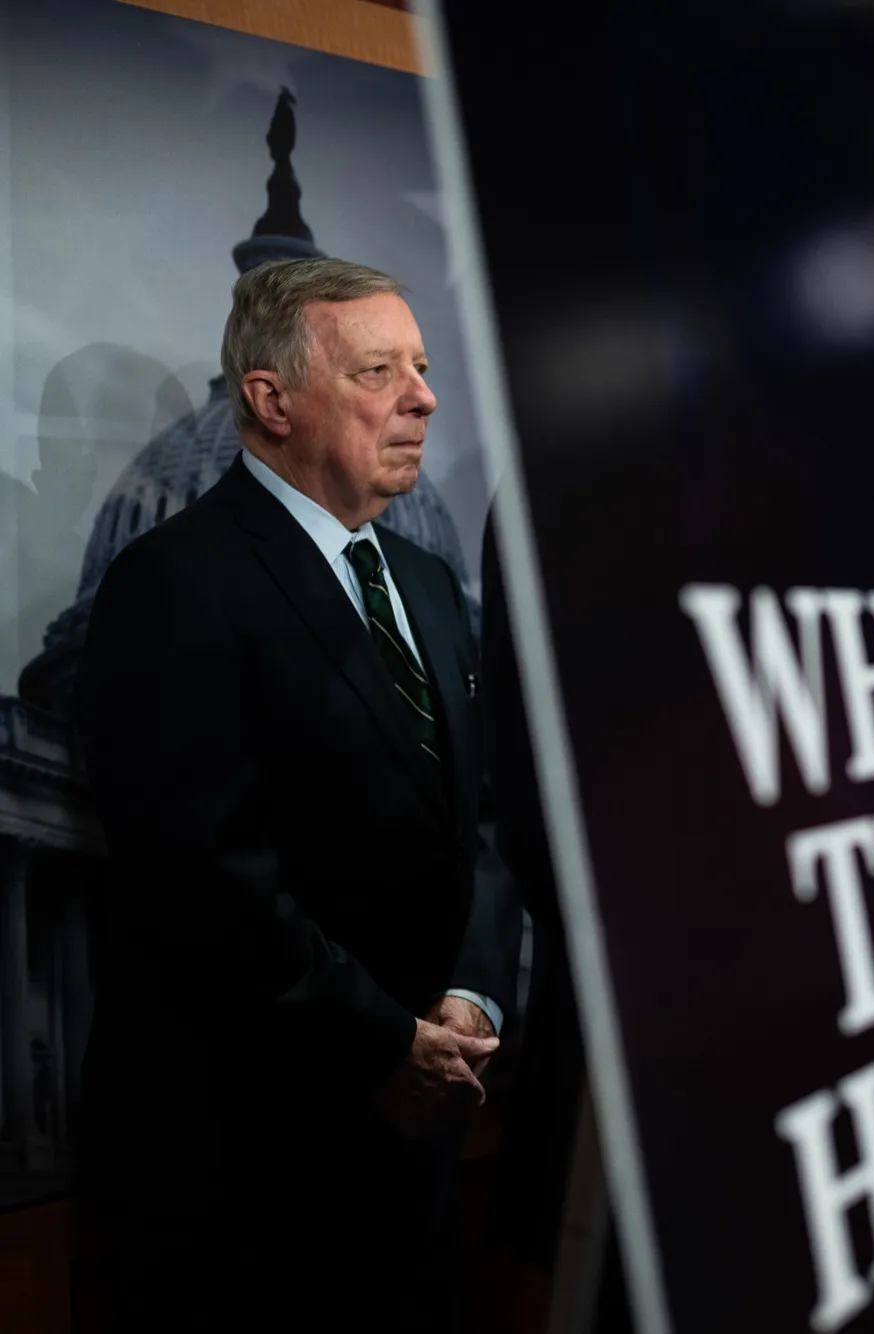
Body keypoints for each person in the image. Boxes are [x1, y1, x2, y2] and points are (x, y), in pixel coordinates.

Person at [75, 257, 520, 1332]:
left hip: (416, 1149)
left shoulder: (422, 582)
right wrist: (383, 1042)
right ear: (270, 402)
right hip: (241, 1175)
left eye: (420, 366)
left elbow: (484, 820)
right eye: (380, 370)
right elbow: (199, 877)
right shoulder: (172, 580)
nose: (423, 395)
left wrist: (467, 1002)